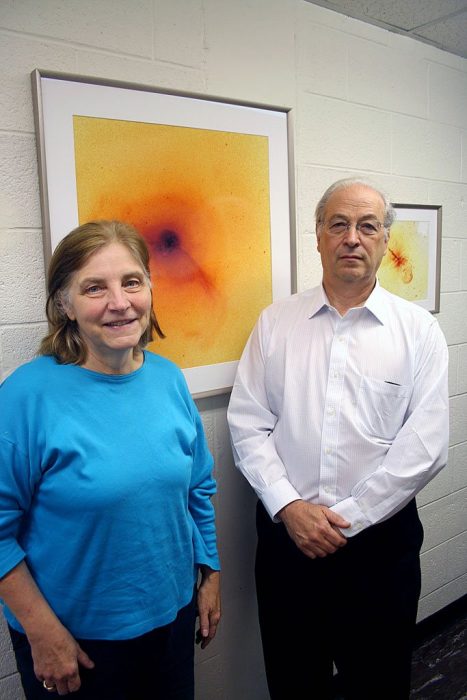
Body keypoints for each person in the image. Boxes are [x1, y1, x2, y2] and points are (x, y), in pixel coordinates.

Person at [227, 179, 449, 700]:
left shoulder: (418, 332)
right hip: (289, 544)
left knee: (378, 684)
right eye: (339, 224)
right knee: (293, 680)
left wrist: (350, 519)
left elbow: (427, 445)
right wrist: (289, 507)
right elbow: (247, 423)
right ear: (320, 237)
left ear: (384, 239)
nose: (353, 237)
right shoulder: (276, 323)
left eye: (367, 225)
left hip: (379, 550)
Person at [0, 220, 221, 699]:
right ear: (65, 304)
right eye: (95, 287)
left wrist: (209, 573)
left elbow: (198, 488)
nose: (119, 303)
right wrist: (42, 632)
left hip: (171, 622)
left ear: (149, 288)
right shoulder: (25, 397)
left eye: (132, 282)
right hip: (75, 644)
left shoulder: (167, 378)